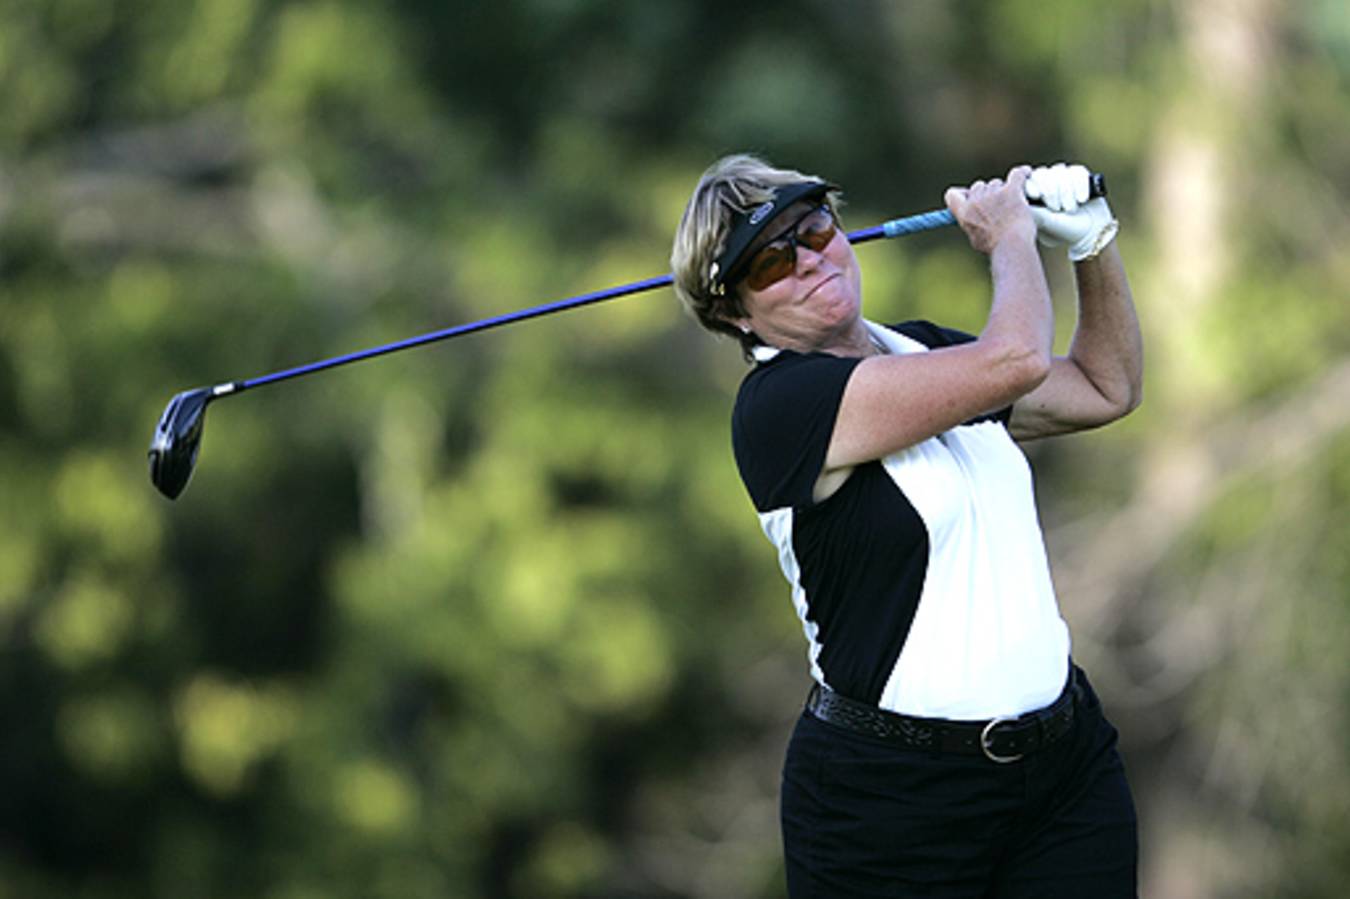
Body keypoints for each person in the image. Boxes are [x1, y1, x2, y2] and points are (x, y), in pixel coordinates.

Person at [670, 155, 1144, 898]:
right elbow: (1015, 359)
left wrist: (1091, 243)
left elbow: (1104, 385)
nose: (807, 259)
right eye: (768, 262)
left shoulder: (922, 350)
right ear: (734, 311)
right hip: (889, 804)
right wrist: (1012, 237)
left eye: (815, 227)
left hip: (1063, 773)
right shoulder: (778, 409)